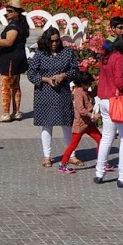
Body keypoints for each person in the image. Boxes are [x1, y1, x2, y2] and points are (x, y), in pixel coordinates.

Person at [93, 32, 123, 188]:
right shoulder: (119, 58)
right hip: (117, 101)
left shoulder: (107, 57)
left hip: (104, 100)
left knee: (107, 137)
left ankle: (99, 173)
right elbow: (119, 82)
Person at [27, 29, 80, 168]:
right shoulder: (40, 54)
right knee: (46, 124)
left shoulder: (67, 53)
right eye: (52, 41)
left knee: (67, 124)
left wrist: (63, 76)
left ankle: (71, 154)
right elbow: (31, 73)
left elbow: (75, 69)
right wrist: (45, 79)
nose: (55, 43)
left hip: (62, 92)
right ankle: (47, 156)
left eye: (57, 40)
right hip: (44, 92)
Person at [0, 0, 30, 122]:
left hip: (10, 61)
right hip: (18, 60)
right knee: (15, 86)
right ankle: (16, 112)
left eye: (10, 11)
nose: (7, 13)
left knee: (5, 87)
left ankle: (5, 114)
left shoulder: (14, 26)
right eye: (6, 10)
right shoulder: (21, 24)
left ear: (17, 12)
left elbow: (9, 42)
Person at [56, 73, 102, 173]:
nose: (90, 85)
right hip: (80, 124)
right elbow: (80, 109)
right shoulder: (78, 92)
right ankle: (63, 164)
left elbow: (92, 95)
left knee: (101, 140)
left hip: (88, 124)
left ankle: (101, 161)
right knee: (73, 145)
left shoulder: (84, 91)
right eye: (88, 83)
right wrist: (92, 115)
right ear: (83, 83)